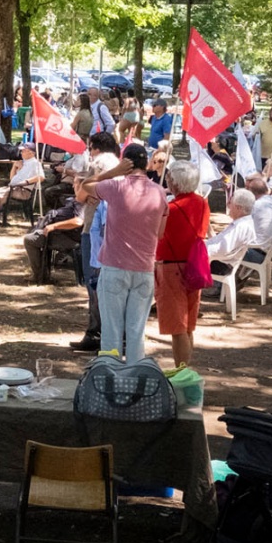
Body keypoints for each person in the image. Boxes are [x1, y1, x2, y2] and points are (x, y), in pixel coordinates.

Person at [76, 143, 169, 363]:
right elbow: (161, 232)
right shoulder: (159, 192)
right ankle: (135, 378)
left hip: (115, 266)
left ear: (124, 163)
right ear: (146, 163)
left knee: (111, 331)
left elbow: (85, 186)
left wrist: (111, 173)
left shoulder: (115, 186)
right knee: (136, 332)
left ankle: (111, 377)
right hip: (144, 267)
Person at [153, 161, 211, 367]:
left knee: (177, 327)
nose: (167, 179)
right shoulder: (203, 203)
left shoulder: (171, 209)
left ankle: (181, 371)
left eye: (169, 177)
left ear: (175, 182)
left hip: (171, 266)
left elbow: (157, 235)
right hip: (194, 266)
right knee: (187, 325)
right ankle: (185, 368)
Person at [69, 132, 122, 351]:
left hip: (93, 228)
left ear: (96, 148)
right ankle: (114, 333)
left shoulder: (99, 163)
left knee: (94, 282)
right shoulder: (120, 166)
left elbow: (81, 195)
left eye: (90, 148)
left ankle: (95, 332)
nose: (90, 153)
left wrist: (82, 190)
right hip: (116, 229)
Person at [204, 189, 258, 300]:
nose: (228, 205)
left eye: (230, 203)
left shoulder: (240, 226)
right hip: (221, 259)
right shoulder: (242, 222)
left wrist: (200, 248)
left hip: (221, 264)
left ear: (238, 208)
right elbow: (220, 243)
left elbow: (221, 250)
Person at [0, 143, 43, 220]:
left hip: (22, 190)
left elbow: (41, 177)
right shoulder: (24, 162)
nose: (21, 153)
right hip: (13, 187)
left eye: (23, 151)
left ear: (31, 152)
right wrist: (14, 167)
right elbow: (12, 179)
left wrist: (26, 182)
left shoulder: (35, 163)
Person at [242, 175, 272, 266]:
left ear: (250, 193)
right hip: (269, 252)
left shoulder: (254, 206)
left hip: (253, 252)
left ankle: (219, 279)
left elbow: (240, 229)